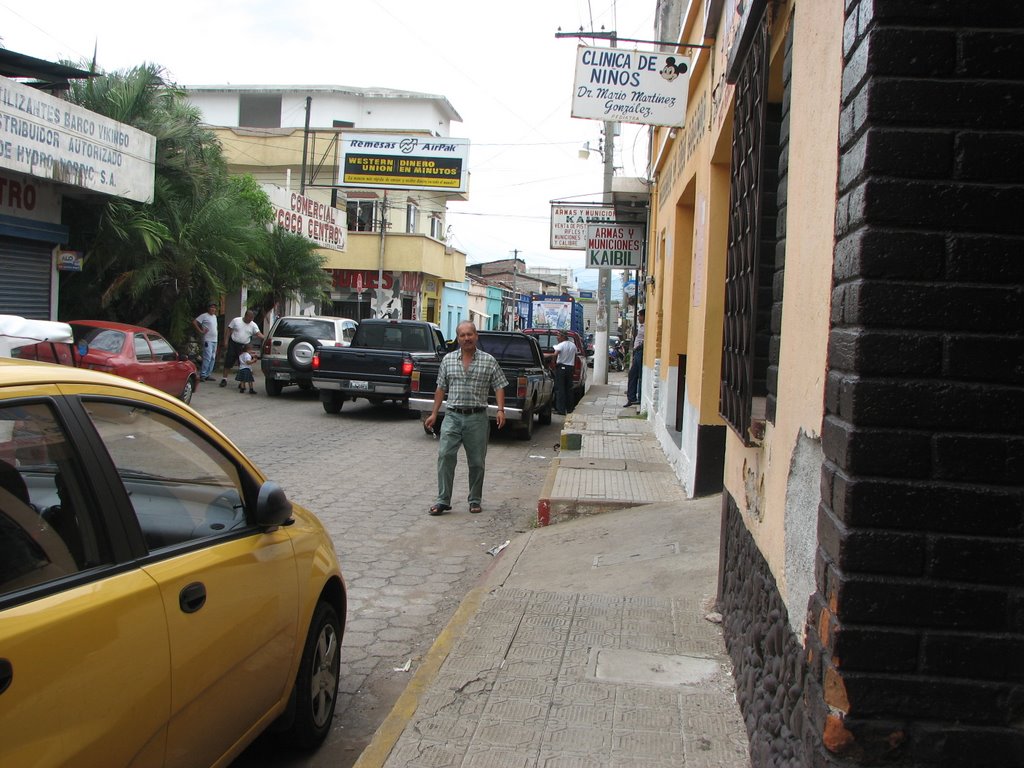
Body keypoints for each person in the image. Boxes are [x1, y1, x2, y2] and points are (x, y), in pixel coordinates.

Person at [424, 321, 508, 516]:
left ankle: (475, 500)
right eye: (462, 335)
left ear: (476, 336)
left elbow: (499, 385)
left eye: (470, 334)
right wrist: (434, 413)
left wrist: (501, 410)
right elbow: (441, 388)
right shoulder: (448, 360)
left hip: (477, 417)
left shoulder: (489, 361)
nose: (466, 338)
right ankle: (443, 500)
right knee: (445, 455)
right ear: (457, 338)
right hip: (452, 415)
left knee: (477, 461)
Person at [219, 309, 263, 387]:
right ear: (246, 316)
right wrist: (225, 342)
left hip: (244, 346)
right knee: (228, 361)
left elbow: (258, 334)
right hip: (233, 343)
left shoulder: (253, 325)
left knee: (243, 364)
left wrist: (266, 338)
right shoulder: (236, 320)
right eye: (250, 318)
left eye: (252, 318)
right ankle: (224, 379)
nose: (251, 320)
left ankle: (241, 382)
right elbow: (228, 330)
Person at [544, 330, 576, 415]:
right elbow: (575, 357)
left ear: (563, 336)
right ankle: (569, 409)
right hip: (570, 368)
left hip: (561, 368)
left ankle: (560, 409)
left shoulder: (560, 345)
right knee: (569, 389)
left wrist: (545, 355)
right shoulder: (573, 345)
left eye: (558, 336)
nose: (557, 338)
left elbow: (555, 355)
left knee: (560, 389)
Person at [191, 302, 219, 381]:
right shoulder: (204, 315)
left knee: (213, 357)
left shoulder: (214, 317)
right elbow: (194, 322)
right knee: (208, 357)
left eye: (214, 308)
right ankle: (203, 374)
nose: (213, 309)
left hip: (214, 339)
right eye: (211, 307)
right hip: (208, 339)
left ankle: (208, 374)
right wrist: (200, 331)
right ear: (208, 308)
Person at [625, 308, 645, 406]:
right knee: (632, 374)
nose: (638, 318)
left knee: (639, 375)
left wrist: (640, 347)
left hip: (640, 352)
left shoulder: (646, 327)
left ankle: (638, 398)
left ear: (643, 316)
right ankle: (631, 397)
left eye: (640, 316)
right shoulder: (641, 326)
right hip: (637, 352)